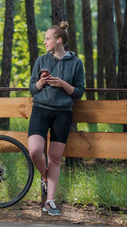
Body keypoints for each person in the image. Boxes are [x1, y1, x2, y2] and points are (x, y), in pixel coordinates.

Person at [28, 21, 85, 216]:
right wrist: (41, 82)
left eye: (47, 38)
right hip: (40, 110)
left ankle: (49, 202)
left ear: (58, 40)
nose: (44, 42)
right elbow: (31, 89)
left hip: (63, 113)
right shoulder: (41, 60)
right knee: (35, 151)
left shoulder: (76, 63)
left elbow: (78, 92)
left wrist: (63, 84)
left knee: (55, 158)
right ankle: (45, 177)